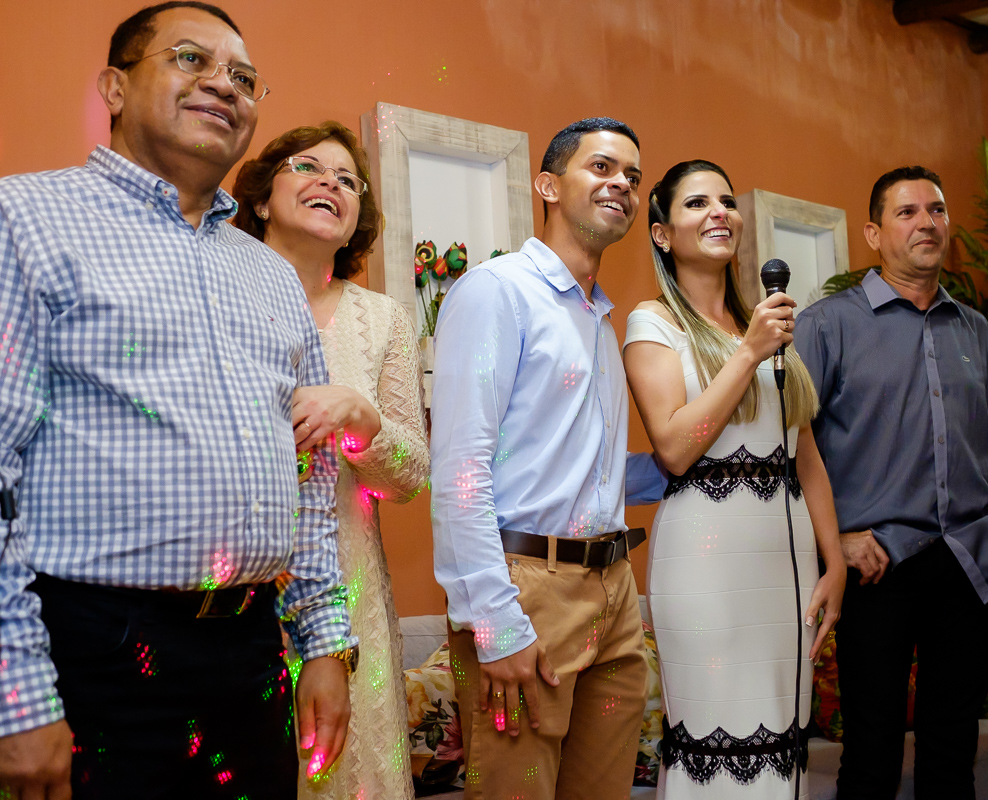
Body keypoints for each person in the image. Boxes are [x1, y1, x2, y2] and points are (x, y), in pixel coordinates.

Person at [0, 4, 357, 798]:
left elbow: (310, 473)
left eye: (243, 77)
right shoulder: (22, 219)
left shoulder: (267, 272)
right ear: (114, 86)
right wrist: (16, 697)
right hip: (94, 652)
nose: (222, 85)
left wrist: (324, 641)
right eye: (191, 59)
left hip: (253, 656)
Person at [429, 117, 666, 800]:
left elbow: (588, 467)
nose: (621, 182)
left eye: (632, 175)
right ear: (548, 185)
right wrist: (495, 623)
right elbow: (461, 470)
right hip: (527, 587)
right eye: (601, 167)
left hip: (616, 589)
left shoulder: (599, 317)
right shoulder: (496, 291)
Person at [793, 166, 988, 800]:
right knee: (871, 756)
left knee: (952, 755)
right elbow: (785, 450)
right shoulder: (826, 326)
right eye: (906, 213)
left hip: (970, 563)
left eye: (935, 209)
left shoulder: (976, 332)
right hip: (876, 567)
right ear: (874, 233)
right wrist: (835, 541)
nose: (925, 222)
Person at [623, 160, 846, 799]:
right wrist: (748, 353)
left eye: (725, 200)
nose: (719, 211)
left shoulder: (766, 325)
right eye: (697, 204)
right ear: (663, 233)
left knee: (783, 739)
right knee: (716, 736)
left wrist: (834, 564)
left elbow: (807, 460)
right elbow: (673, 447)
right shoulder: (652, 325)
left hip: (790, 566)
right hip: (704, 563)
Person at [232, 121, 430, 800]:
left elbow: (410, 477)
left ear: (354, 225)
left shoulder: (383, 320)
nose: (330, 183)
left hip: (348, 600)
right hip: (229, 594)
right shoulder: (216, 296)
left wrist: (362, 419)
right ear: (260, 199)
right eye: (308, 167)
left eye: (347, 180)